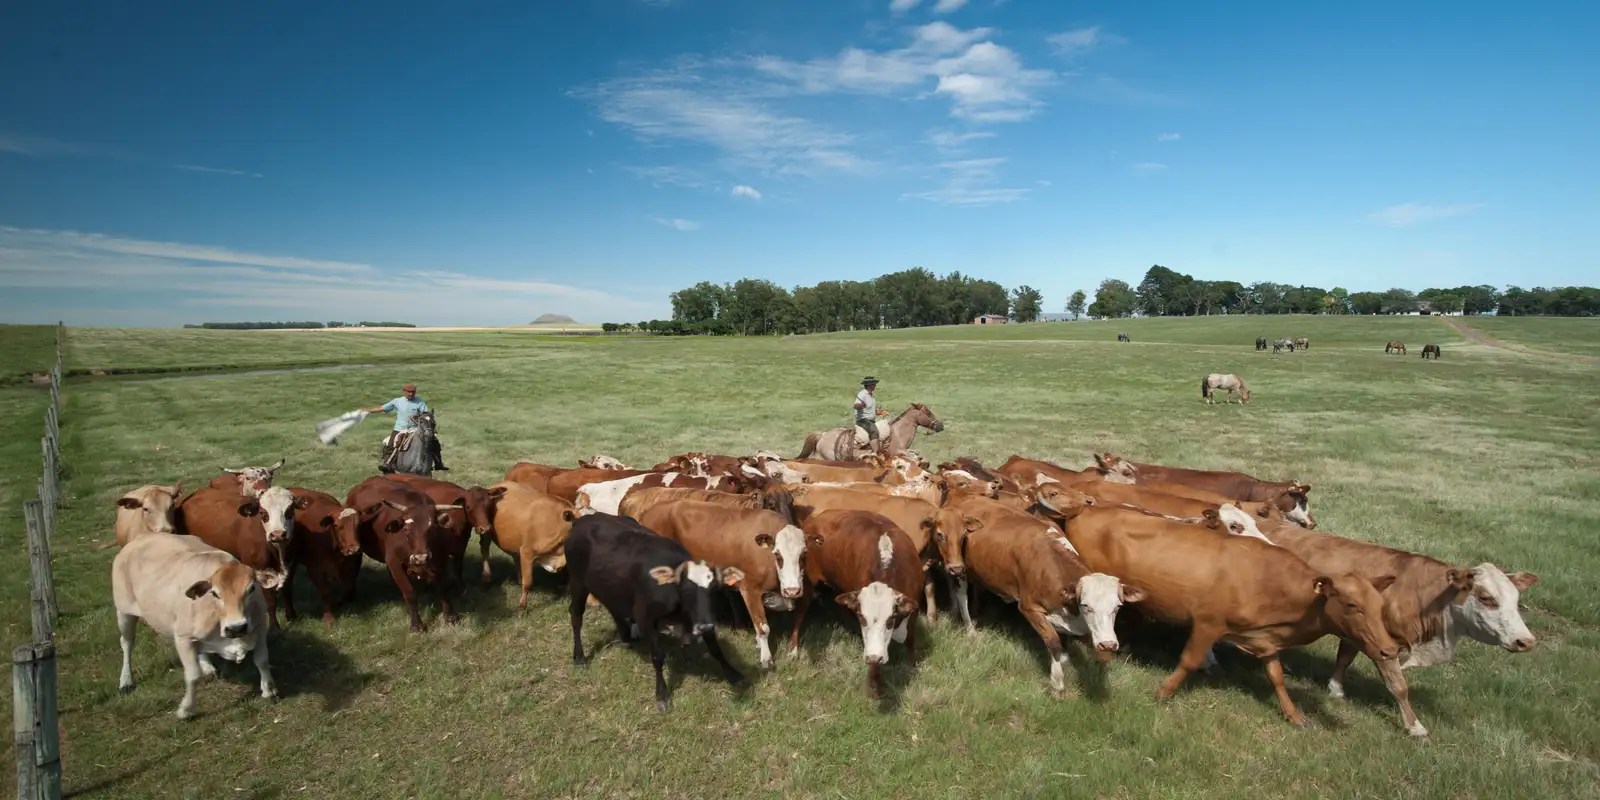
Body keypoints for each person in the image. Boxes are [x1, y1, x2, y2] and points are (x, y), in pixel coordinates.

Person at [365, 383, 447, 472]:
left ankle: (438, 463)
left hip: (415, 429)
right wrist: (367, 410)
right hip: (400, 429)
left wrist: (418, 416)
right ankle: (387, 464)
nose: (411, 394)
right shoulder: (397, 401)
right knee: (391, 444)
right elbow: (383, 408)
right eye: (408, 392)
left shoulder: (419, 401)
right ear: (404, 391)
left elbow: (426, 414)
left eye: (413, 392)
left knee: (434, 441)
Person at [853, 377, 889, 455]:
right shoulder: (862, 394)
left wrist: (881, 412)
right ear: (869, 385)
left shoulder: (871, 396)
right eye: (874, 384)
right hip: (863, 420)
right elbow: (856, 406)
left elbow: (873, 410)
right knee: (874, 430)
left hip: (871, 420)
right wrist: (861, 405)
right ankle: (875, 453)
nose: (875, 386)